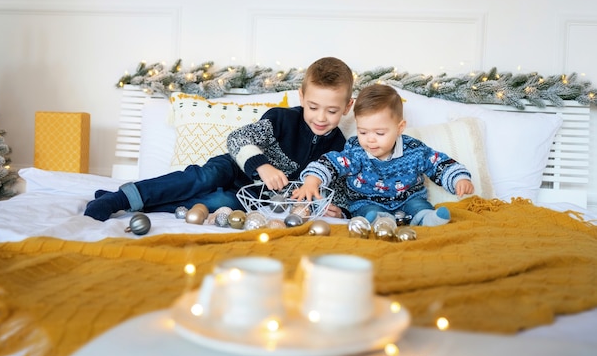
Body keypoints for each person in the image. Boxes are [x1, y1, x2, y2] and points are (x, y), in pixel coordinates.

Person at [84, 56, 355, 221]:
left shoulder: (340, 146)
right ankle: (120, 198)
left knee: (219, 204)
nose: (321, 118)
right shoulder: (282, 119)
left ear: (347, 107)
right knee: (202, 179)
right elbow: (238, 139)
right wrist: (263, 166)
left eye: (331, 111)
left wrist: (339, 211)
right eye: (313, 107)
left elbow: (341, 189)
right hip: (232, 168)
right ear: (301, 98)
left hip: (252, 197)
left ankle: (136, 204)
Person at [292, 83, 474, 226]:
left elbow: (438, 163)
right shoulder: (356, 151)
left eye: (379, 133)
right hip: (367, 203)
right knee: (367, 212)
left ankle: (428, 220)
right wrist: (312, 179)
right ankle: (380, 222)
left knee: (419, 206)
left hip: (408, 199)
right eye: (363, 132)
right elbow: (332, 162)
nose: (370, 140)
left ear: (399, 127)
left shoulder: (414, 150)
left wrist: (459, 179)